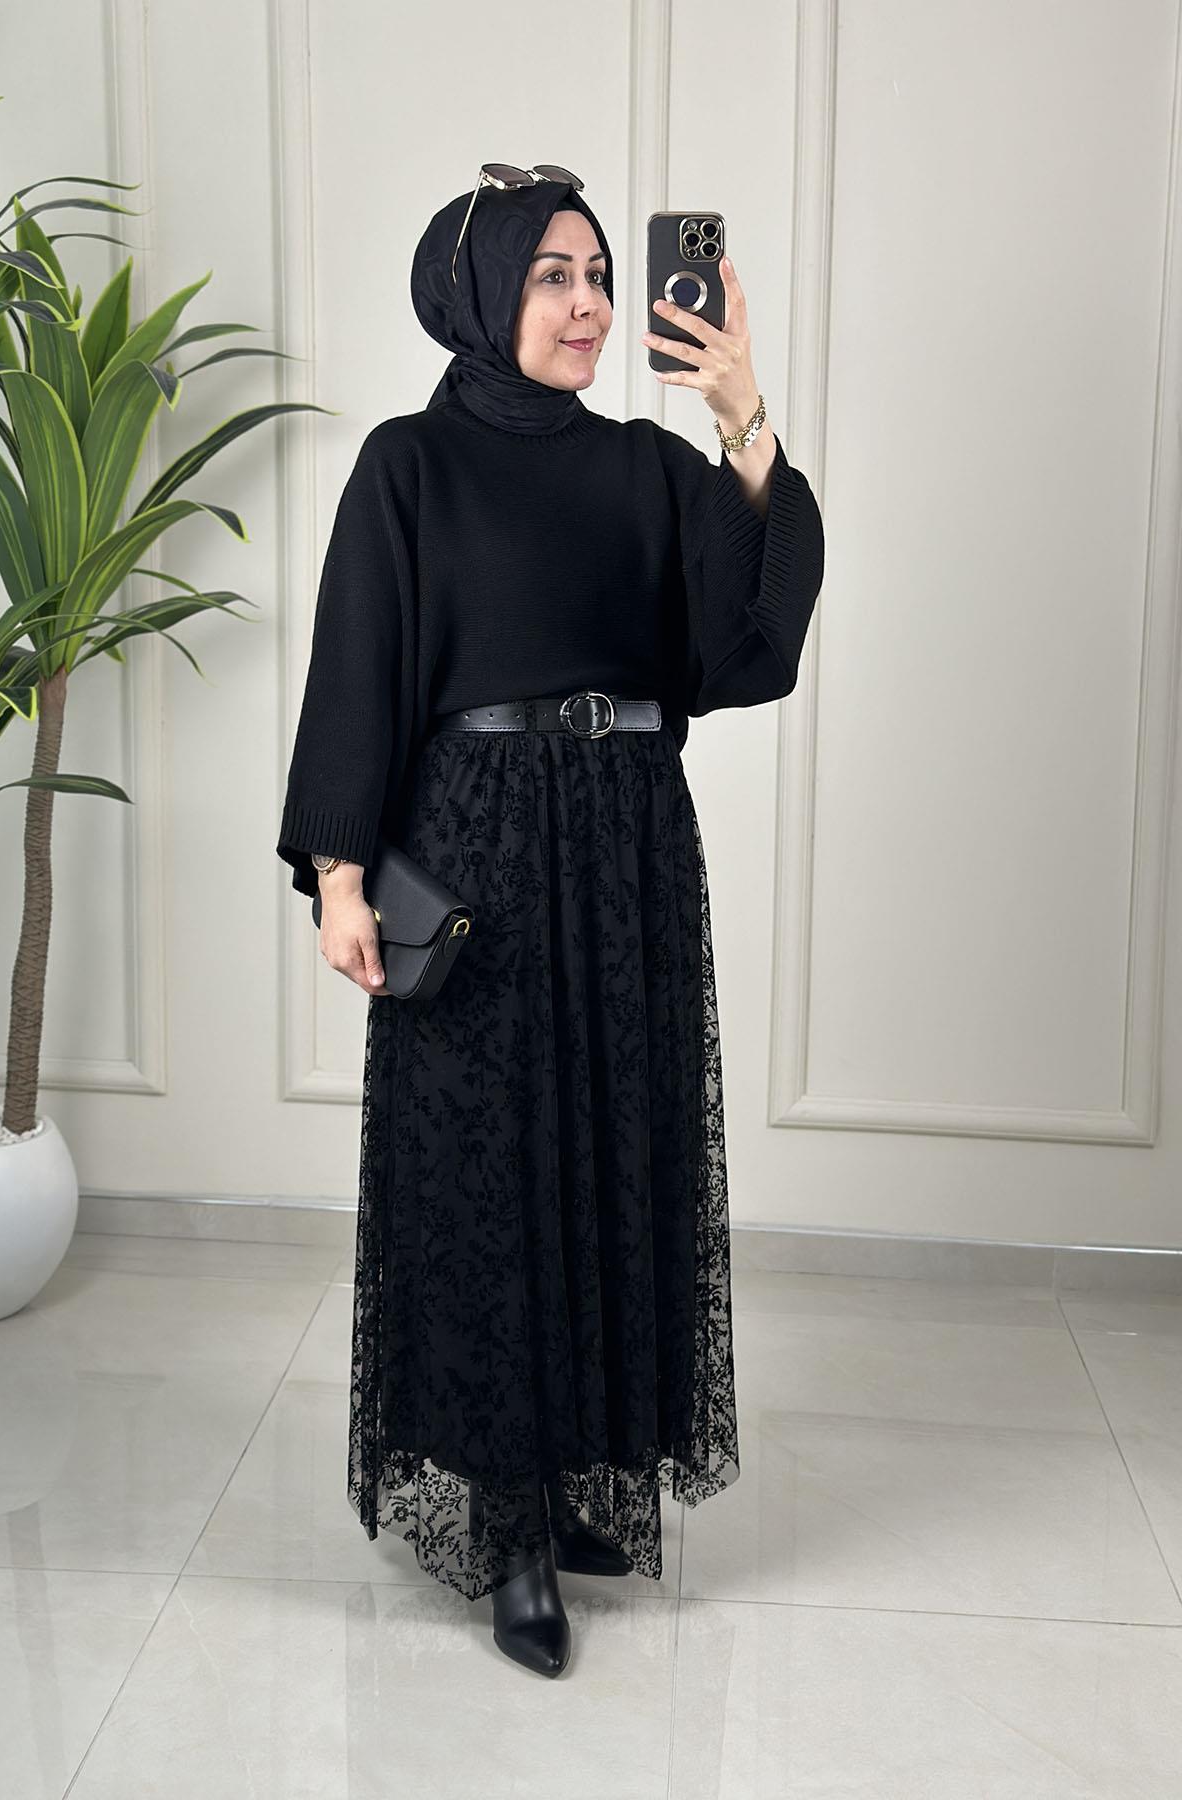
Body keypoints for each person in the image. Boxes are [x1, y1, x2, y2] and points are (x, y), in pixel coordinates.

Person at [275, 168, 825, 1678]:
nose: (587, 305)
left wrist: (744, 423)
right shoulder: (408, 464)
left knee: (612, 1155)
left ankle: (581, 1470)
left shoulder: (650, 467)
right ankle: (508, 1520)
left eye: (597, 275)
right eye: (552, 277)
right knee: (491, 1172)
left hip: (629, 844)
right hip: (479, 848)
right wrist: (340, 876)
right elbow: (359, 669)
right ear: (481, 293)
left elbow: (747, 646)